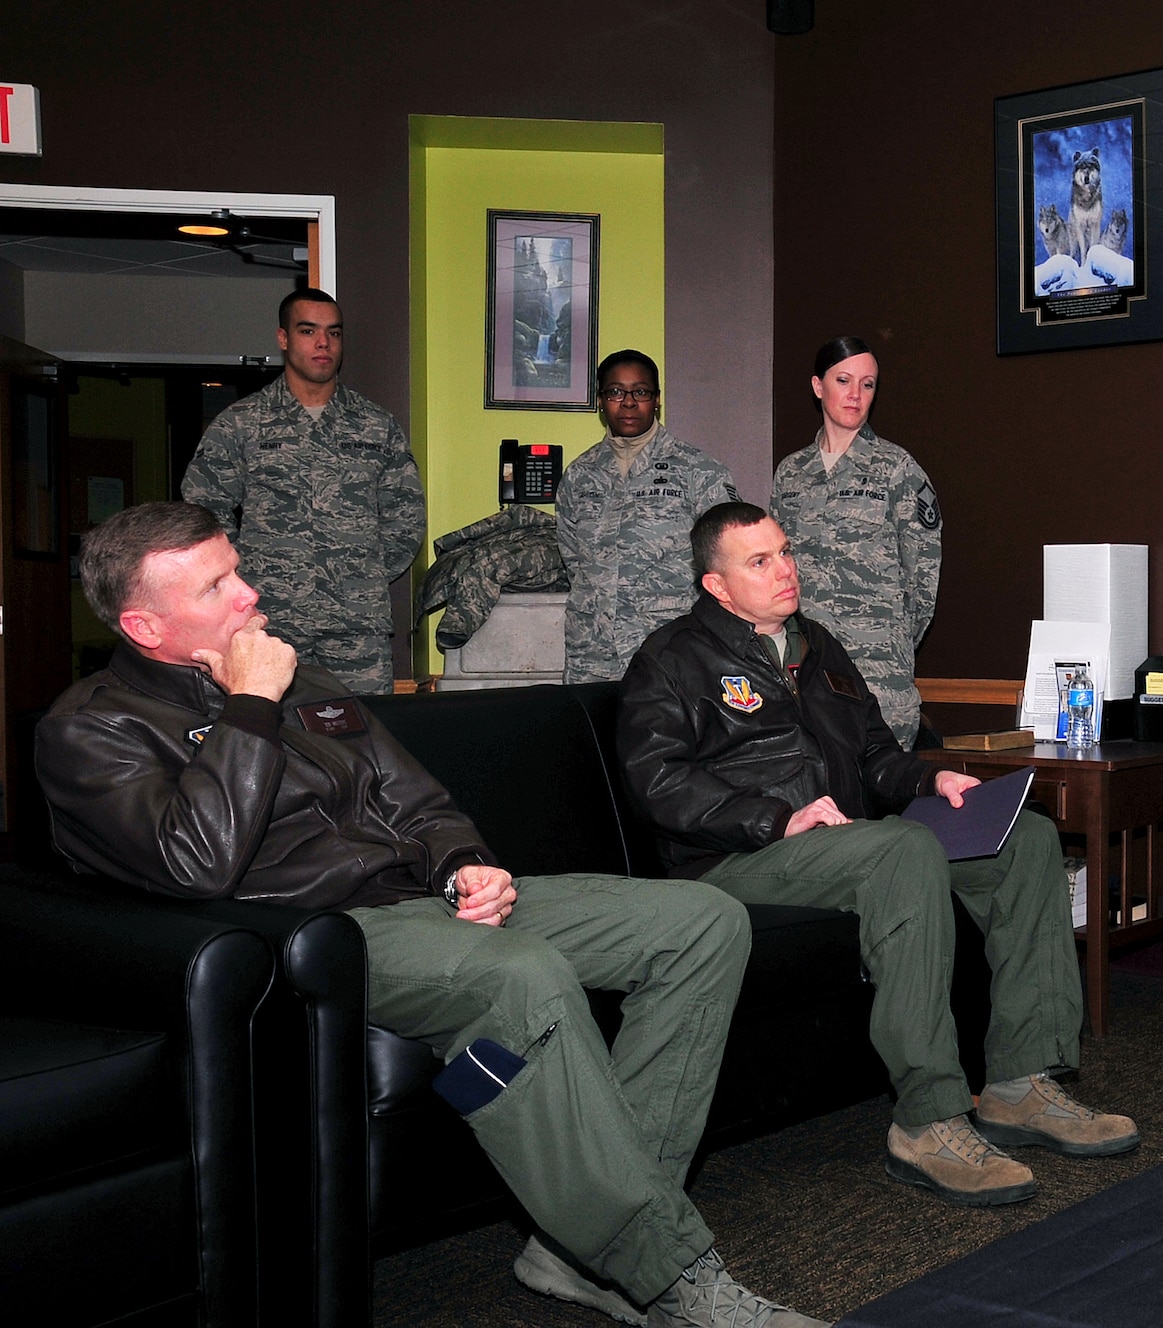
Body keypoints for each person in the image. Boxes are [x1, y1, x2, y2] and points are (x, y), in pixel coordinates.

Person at [36, 502, 824, 1328]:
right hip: (321, 937)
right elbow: (196, 863)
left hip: (426, 900)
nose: (250, 595)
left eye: (238, 569)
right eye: (217, 585)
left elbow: (416, 798)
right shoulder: (94, 728)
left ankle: (584, 1245)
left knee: (700, 921)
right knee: (521, 980)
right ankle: (662, 1270)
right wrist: (250, 707)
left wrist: (463, 863)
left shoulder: (301, 680)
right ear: (142, 625)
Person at [617, 502, 1137, 1206]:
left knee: (1026, 837)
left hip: (849, 846)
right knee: (899, 852)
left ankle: (1019, 1085)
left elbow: (875, 757)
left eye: (786, 552)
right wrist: (775, 819)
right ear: (715, 585)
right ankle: (926, 1120)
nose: (785, 570)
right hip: (740, 861)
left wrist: (932, 778)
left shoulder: (818, 646)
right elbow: (659, 783)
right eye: (760, 561)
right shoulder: (671, 659)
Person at [182, 288, 424, 695]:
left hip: (356, 628)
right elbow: (205, 509)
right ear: (283, 338)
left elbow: (406, 515)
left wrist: (361, 573)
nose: (323, 343)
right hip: (269, 623)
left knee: (360, 742)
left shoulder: (375, 426)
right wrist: (247, 576)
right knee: (269, 736)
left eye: (334, 332)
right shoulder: (243, 423)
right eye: (308, 330)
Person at [770, 336, 940, 746]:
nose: (855, 395)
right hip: (804, 670)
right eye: (843, 381)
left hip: (878, 672)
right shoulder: (791, 472)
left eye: (868, 384)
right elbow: (777, 568)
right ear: (817, 386)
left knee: (881, 795)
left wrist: (887, 639)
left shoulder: (897, 469)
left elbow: (923, 581)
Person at [558, 350, 739, 684]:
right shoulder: (579, 474)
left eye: (640, 392)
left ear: (656, 400)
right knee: (591, 736)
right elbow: (573, 558)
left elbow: (728, 557)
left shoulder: (698, 470)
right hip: (592, 650)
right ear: (601, 400)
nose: (628, 402)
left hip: (669, 646)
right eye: (615, 392)